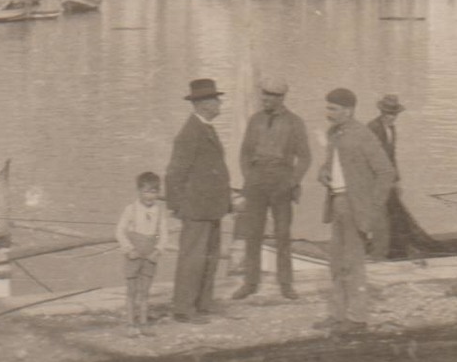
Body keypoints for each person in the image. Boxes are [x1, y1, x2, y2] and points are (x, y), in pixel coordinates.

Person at [314, 88, 396, 334]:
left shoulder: (364, 135)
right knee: (336, 262)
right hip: (337, 201)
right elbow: (331, 165)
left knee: (354, 262)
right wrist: (323, 172)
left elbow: (386, 172)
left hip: (355, 206)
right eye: (328, 108)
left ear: (348, 111)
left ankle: (357, 318)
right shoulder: (334, 133)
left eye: (334, 109)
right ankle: (339, 314)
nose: (328, 113)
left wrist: (372, 209)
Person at [233, 76, 312, 300]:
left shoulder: (294, 122)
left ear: (281, 98)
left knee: (283, 234)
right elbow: (245, 153)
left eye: (269, 95)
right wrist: (249, 178)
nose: (264, 99)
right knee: (253, 233)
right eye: (263, 94)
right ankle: (250, 282)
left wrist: (292, 181)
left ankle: (286, 283)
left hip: (282, 181)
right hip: (256, 181)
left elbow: (305, 157)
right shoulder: (255, 120)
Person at [164, 78, 233, 324]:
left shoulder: (205, 128)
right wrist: (177, 206)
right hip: (196, 207)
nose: (219, 103)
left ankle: (203, 304)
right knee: (192, 258)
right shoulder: (190, 133)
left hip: (211, 207)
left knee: (210, 257)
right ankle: (183, 309)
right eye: (215, 99)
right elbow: (174, 173)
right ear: (203, 104)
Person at [116, 171, 170, 337]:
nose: (150, 196)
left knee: (145, 292)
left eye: (154, 192)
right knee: (131, 291)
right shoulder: (131, 209)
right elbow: (119, 231)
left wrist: (158, 250)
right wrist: (128, 249)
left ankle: (144, 322)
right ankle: (130, 323)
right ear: (138, 191)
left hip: (150, 256)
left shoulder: (159, 211)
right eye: (146, 191)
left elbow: (164, 234)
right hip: (133, 255)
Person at [367, 94, 417, 260]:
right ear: (381, 112)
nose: (391, 118)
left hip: (389, 178)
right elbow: (369, 158)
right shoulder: (373, 127)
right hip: (376, 179)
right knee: (379, 214)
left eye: (394, 115)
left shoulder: (392, 129)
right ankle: (378, 249)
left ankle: (392, 249)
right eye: (388, 114)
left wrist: (397, 180)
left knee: (393, 213)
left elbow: (392, 156)